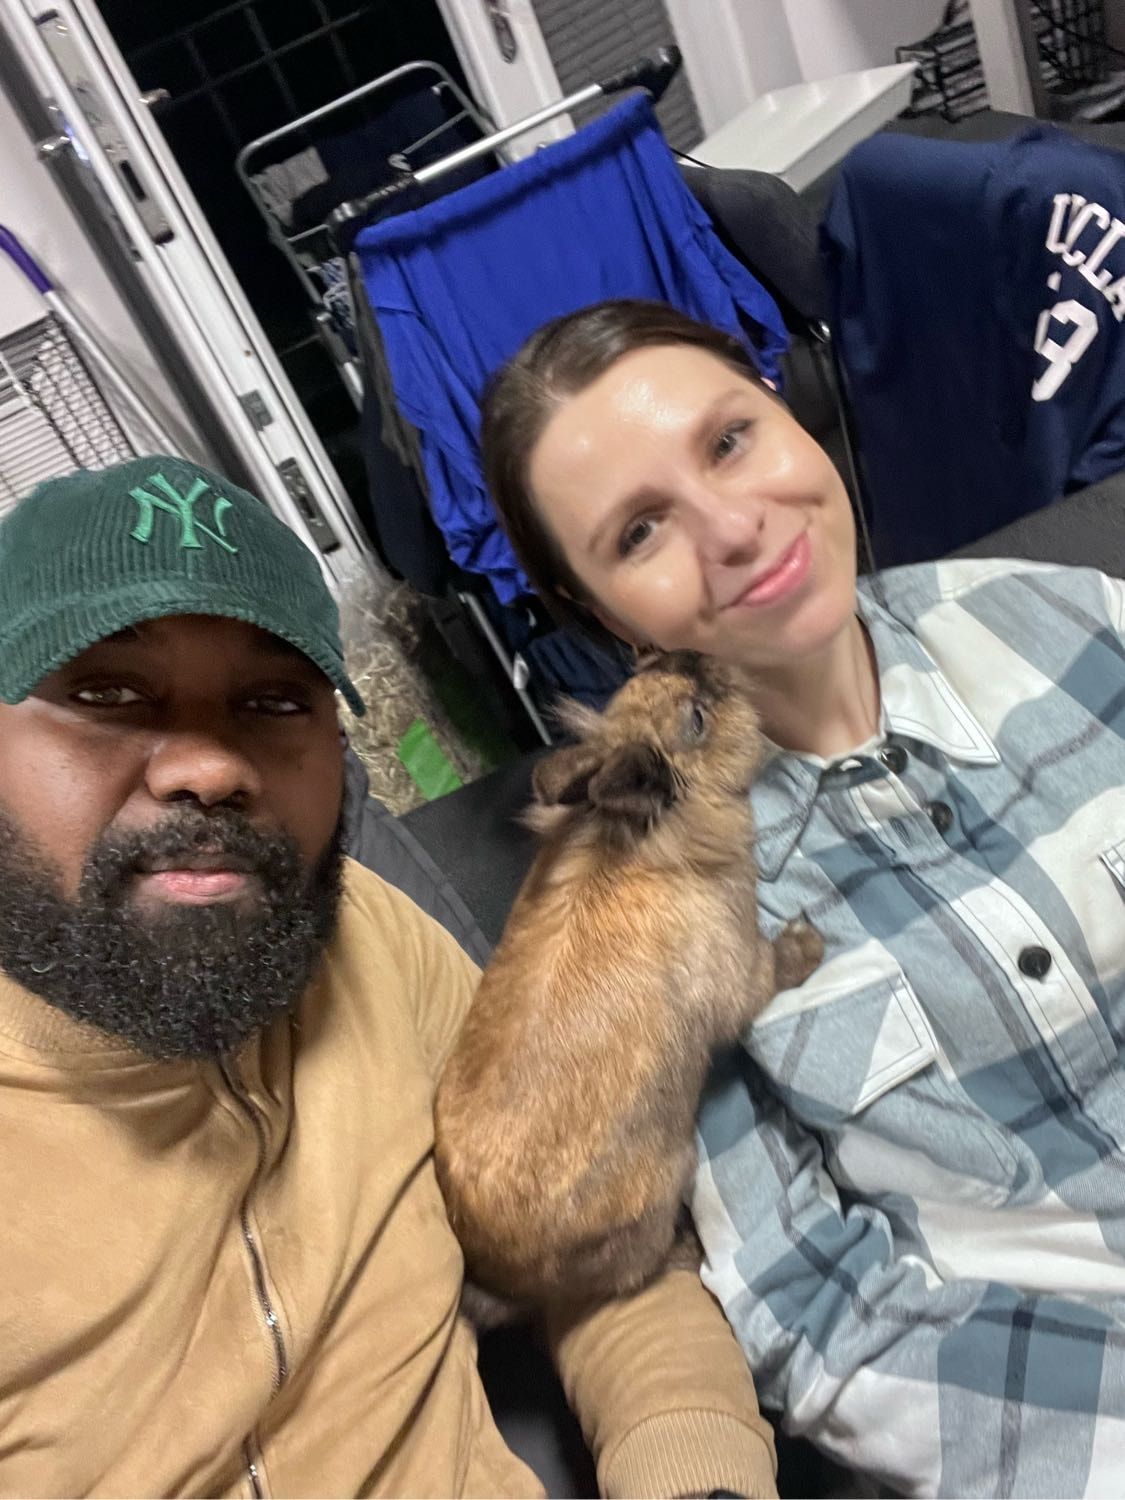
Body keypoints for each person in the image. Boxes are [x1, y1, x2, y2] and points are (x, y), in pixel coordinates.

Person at [0, 453, 780, 1499]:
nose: (209, 767)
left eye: (272, 701)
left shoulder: (369, 935)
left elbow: (590, 1242)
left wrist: (694, 1471)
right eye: (107, 693)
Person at [479, 298, 1125, 1498]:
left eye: (730, 441)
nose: (733, 527)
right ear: (603, 615)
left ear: (794, 413)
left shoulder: (1069, 619)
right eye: (641, 532)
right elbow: (820, 1306)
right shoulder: (646, 914)